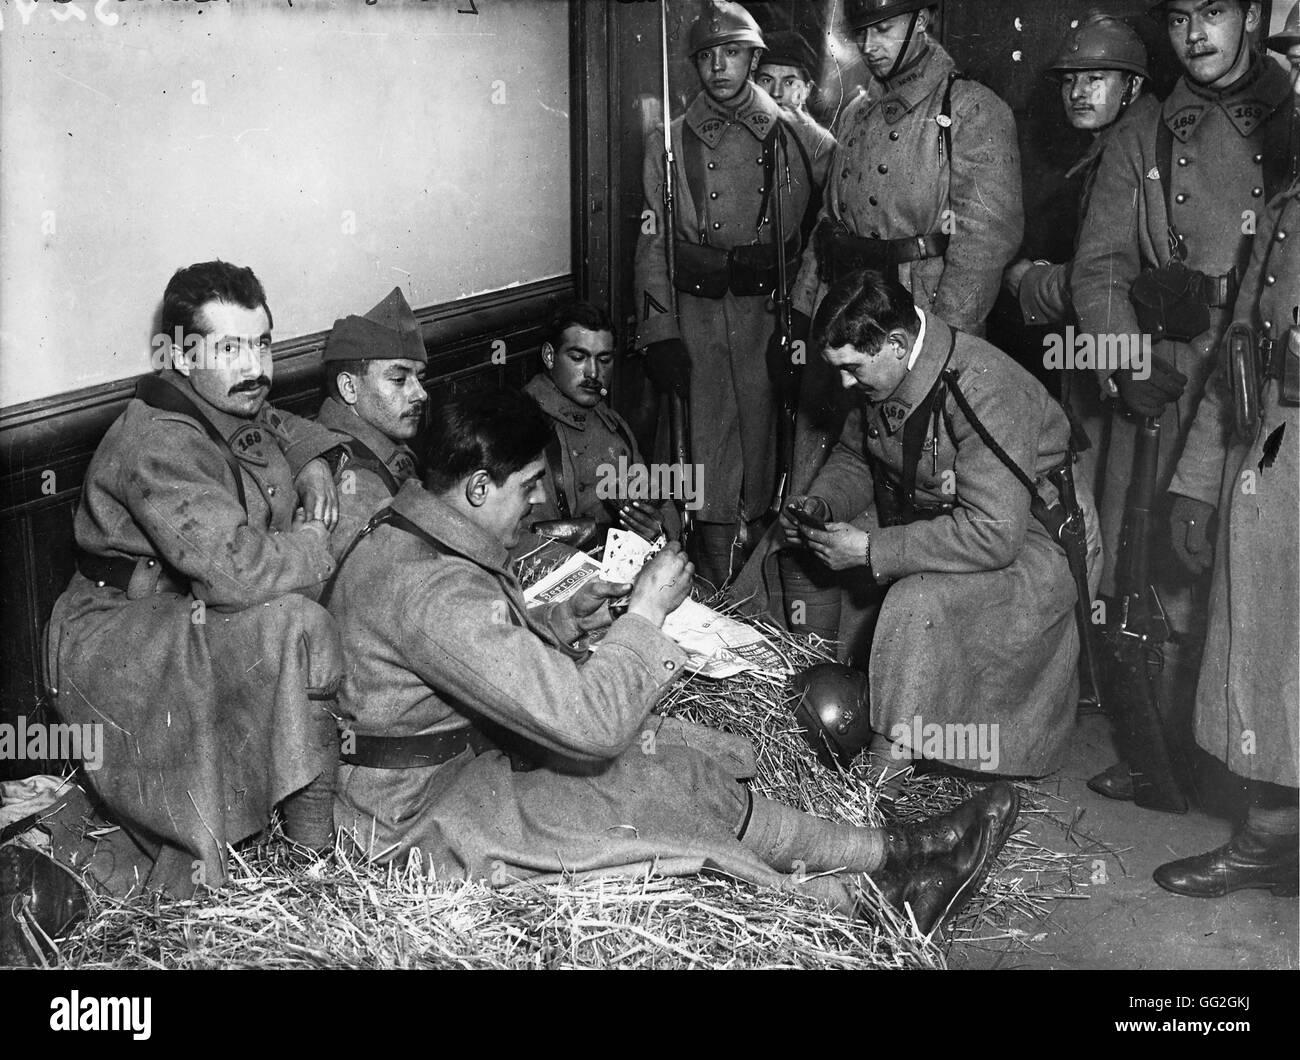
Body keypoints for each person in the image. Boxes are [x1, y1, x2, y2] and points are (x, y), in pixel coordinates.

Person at [326, 387, 1019, 936]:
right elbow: (586, 723)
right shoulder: (429, 587)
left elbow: (466, 653)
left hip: (461, 767)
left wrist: (563, 617)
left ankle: (892, 848)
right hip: (415, 817)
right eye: (529, 484)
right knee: (643, 820)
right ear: (478, 488)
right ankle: (871, 905)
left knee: (672, 768)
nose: (539, 500)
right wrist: (643, 618)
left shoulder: (417, 532)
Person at [42, 260, 346, 898]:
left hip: (180, 614)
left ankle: (302, 841)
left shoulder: (214, 398)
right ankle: (313, 867)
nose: (255, 368)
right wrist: (315, 545)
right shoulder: (160, 440)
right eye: (230, 348)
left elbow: (272, 422)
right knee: (299, 621)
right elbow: (239, 571)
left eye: (262, 344)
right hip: (117, 637)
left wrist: (313, 456)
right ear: (180, 354)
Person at [1071, 0, 1292, 800]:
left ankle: (1265, 785)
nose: (1196, 35)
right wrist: (1123, 359)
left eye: (1216, 11)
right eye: (1178, 18)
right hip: (1171, 376)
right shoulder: (1148, 132)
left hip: (1274, 387)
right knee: (1164, 568)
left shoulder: (1294, 112)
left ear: (1256, 15)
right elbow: (1097, 266)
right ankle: (1170, 752)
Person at [780, 270, 1101, 778]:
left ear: (897, 343)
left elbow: (996, 532)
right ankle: (809, 713)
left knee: (917, 600)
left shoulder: (983, 386)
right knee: (789, 551)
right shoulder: (885, 370)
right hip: (942, 516)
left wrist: (870, 550)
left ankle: (884, 776)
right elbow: (857, 456)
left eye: (852, 369)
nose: (843, 383)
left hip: (1036, 541)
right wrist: (822, 505)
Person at [774, 0, 1024, 638]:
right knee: (815, 495)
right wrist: (802, 322)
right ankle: (808, 666)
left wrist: (934, 355)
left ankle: (896, 673)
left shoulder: (970, 110)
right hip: (844, 330)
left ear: (924, 21)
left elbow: (984, 241)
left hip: (917, 325)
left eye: (885, 27)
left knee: (919, 499)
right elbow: (827, 232)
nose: (873, 44)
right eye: (863, 31)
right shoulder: (858, 111)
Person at [1153, 8, 1299, 899]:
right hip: (1274, 443)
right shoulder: (1287, 199)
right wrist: (1199, 484)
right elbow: (1237, 346)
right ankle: (1272, 832)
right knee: (1275, 657)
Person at [634, 0, 834, 587]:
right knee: (705, 454)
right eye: (707, 56)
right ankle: (716, 584)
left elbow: (835, 226)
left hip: (770, 319)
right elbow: (653, 243)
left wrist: (802, 310)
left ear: (753, 57)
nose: (718, 67)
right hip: (695, 316)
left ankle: (767, 587)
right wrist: (660, 331)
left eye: (732, 53)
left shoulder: (801, 138)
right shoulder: (667, 143)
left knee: (773, 450)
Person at [1004, 11, 1156, 497]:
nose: (1078, 92)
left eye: (1096, 78)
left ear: (1131, 85)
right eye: (1070, 81)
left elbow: (1107, 278)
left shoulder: (1128, 147)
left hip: (1130, 360)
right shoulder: (1121, 141)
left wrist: (1030, 283)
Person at [524, 300, 680, 546]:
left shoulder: (612, 424)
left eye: (604, 359)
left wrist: (656, 531)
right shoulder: (525, 428)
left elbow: (660, 503)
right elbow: (527, 543)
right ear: (549, 356)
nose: (594, 373)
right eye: (578, 357)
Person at [318, 287, 428, 559]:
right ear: (349, 388)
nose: (421, 394)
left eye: (420, 378)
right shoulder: (354, 478)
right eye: (399, 380)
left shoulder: (381, 443)